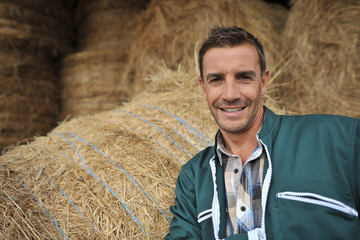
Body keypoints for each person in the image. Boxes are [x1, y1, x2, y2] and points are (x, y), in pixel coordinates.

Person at [165, 26, 360, 240]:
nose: (230, 94)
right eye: (217, 80)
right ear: (203, 88)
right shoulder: (194, 177)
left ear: (264, 82)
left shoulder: (339, 141)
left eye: (243, 77)